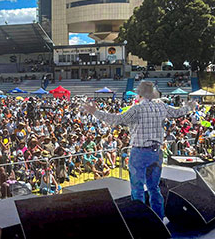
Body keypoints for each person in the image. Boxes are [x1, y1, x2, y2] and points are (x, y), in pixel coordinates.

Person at [83, 81, 196, 219]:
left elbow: (116, 120)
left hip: (140, 153)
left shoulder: (136, 109)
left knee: (137, 190)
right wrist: (189, 107)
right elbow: (178, 112)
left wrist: (95, 112)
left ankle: (141, 222)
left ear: (139, 95)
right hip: (157, 152)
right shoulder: (161, 106)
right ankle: (158, 219)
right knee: (154, 189)